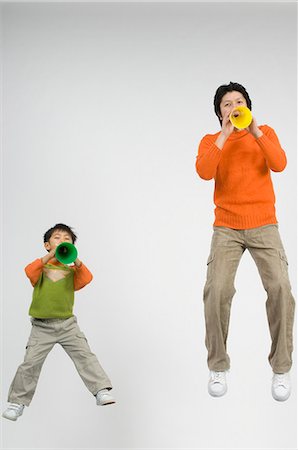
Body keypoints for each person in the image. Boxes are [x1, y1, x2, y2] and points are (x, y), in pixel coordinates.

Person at [196, 82, 295, 401]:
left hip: (264, 223)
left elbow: (279, 164)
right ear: (219, 112)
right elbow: (204, 171)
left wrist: (255, 132)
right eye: (227, 104)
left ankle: (281, 368)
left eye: (239, 101)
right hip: (227, 226)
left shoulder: (264, 132)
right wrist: (224, 135)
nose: (234, 106)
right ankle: (218, 365)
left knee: (281, 288)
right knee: (217, 291)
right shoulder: (212, 141)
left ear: (249, 106)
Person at [3, 223, 115, 421]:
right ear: (47, 245)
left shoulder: (73, 272)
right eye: (57, 238)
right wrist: (50, 256)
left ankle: (100, 391)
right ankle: (17, 402)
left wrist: (75, 259)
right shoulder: (41, 269)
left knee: (85, 356)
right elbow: (29, 271)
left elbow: (87, 278)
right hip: (41, 327)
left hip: (67, 326)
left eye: (67, 239)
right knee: (30, 364)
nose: (62, 241)